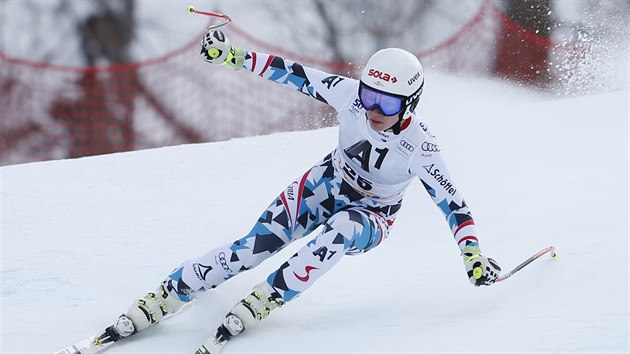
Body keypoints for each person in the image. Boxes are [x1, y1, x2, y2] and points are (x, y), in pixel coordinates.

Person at [101, 30, 501, 345]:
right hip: (326, 183)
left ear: (410, 104)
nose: (375, 110)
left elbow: (454, 204)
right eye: (370, 95)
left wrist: (472, 254)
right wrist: (234, 57)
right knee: (252, 247)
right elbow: (293, 73)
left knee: (340, 231)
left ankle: (268, 297)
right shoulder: (351, 98)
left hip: (372, 214)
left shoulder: (421, 147)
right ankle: (170, 292)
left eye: (389, 104)